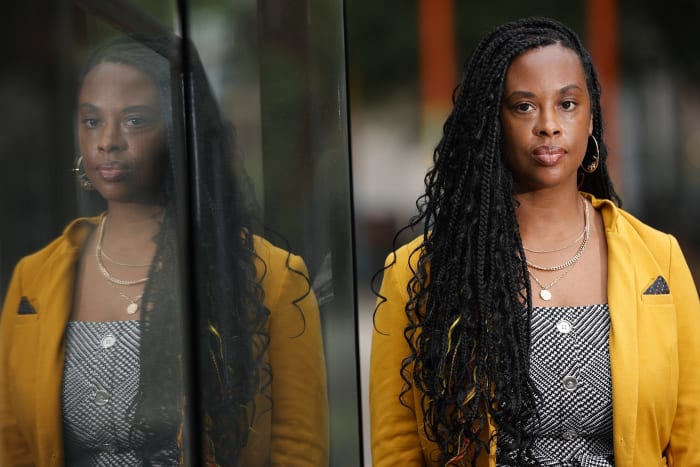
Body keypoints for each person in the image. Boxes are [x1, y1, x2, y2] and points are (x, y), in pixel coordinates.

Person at [370, 16, 700, 467]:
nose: (549, 124)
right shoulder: (420, 272)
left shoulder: (658, 258)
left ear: (591, 120)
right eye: (524, 106)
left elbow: (691, 440)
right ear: (493, 123)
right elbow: (398, 449)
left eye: (567, 103)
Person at [0, 35, 328, 466]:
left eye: (134, 121)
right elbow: (12, 446)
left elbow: (298, 448)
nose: (108, 141)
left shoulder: (271, 275)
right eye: (92, 121)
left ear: (180, 133)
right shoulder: (36, 277)